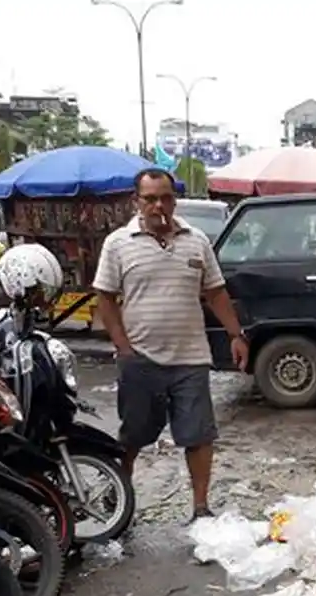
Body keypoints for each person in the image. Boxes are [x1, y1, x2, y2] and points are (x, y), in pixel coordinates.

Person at [93, 167, 249, 523]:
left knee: (198, 435)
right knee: (133, 435)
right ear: (137, 202)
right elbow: (104, 297)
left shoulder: (197, 241)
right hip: (140, 359)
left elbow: (215, 292)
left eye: (165, 197)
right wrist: (122, 346)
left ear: (174, 199)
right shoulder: (118, 243)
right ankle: (119, 497)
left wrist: (236, 335)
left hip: (190, 358)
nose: (158, 205)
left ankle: (200, 506)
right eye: (150, 199)